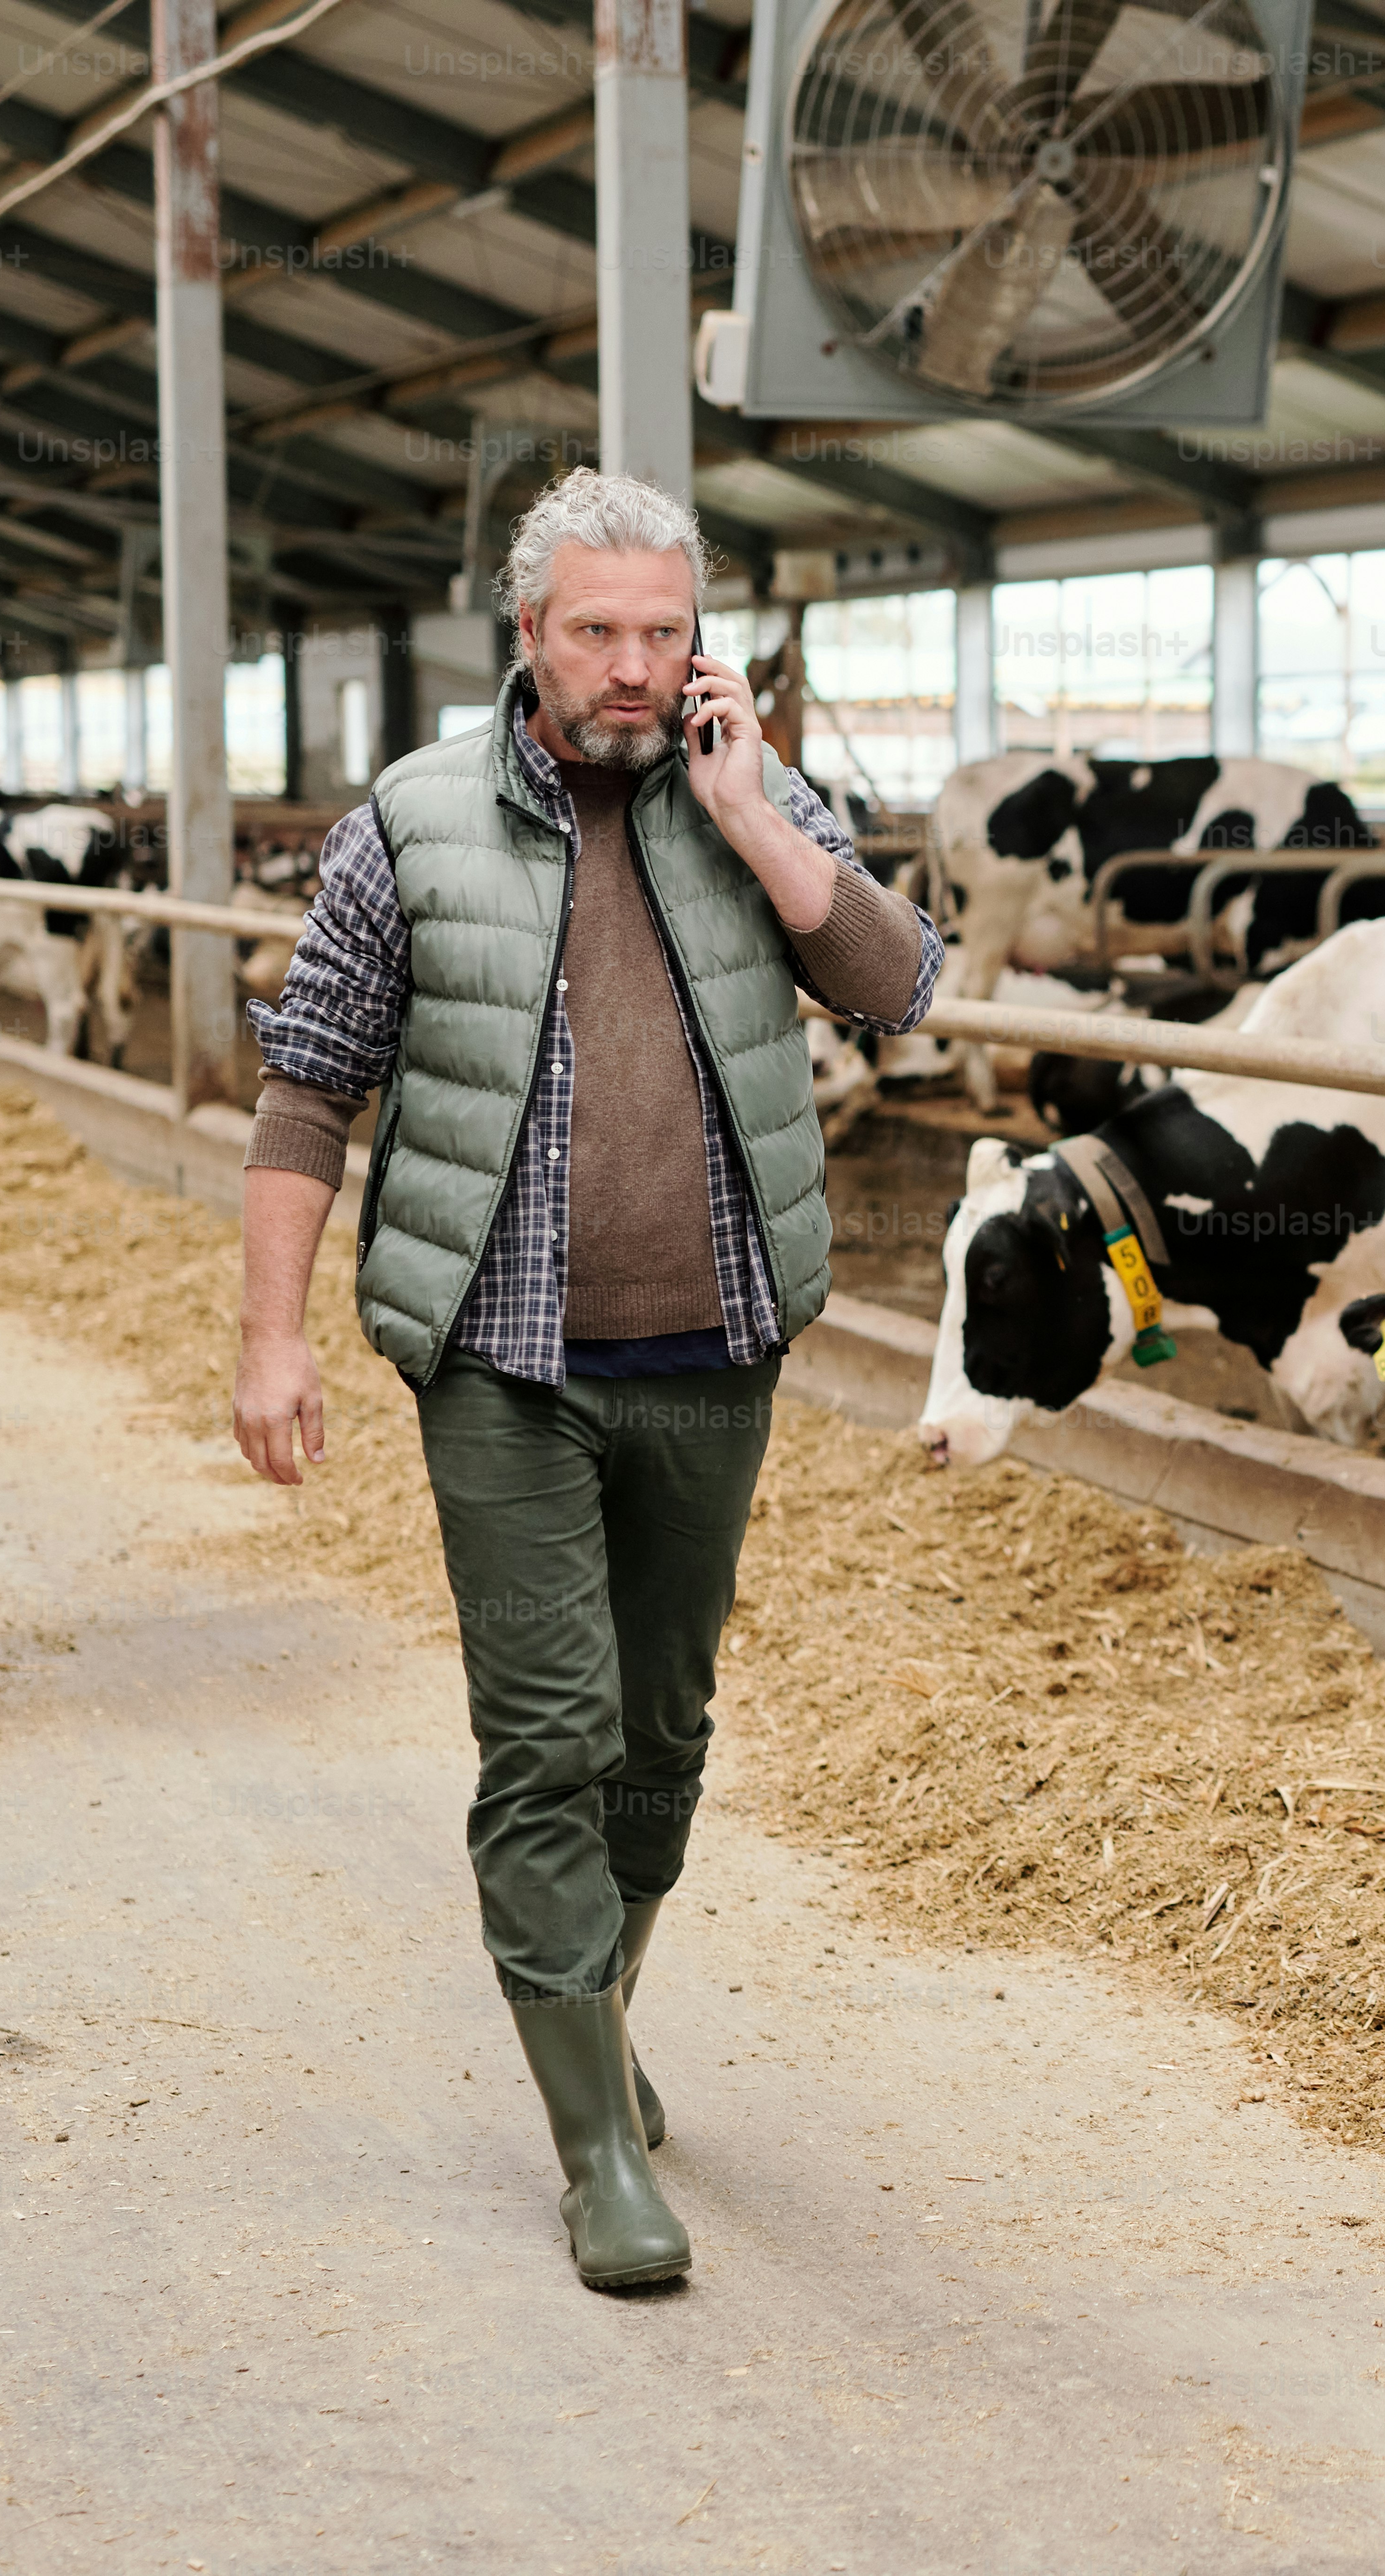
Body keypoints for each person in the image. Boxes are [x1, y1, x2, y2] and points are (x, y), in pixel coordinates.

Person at [225, 469, 939, 2289]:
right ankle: (594, 2148)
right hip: (504, 1359)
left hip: (716, 1343)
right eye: (599, 632)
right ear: (526, 637)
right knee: (548, 1737)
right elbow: (312, 1082)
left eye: (664, 632)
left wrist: (755, 812)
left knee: (663, 1735)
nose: (634, 667)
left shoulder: (750, 795)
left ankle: (597, 2013)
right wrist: (274, 1329)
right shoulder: (411, 827)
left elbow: (893, 984)